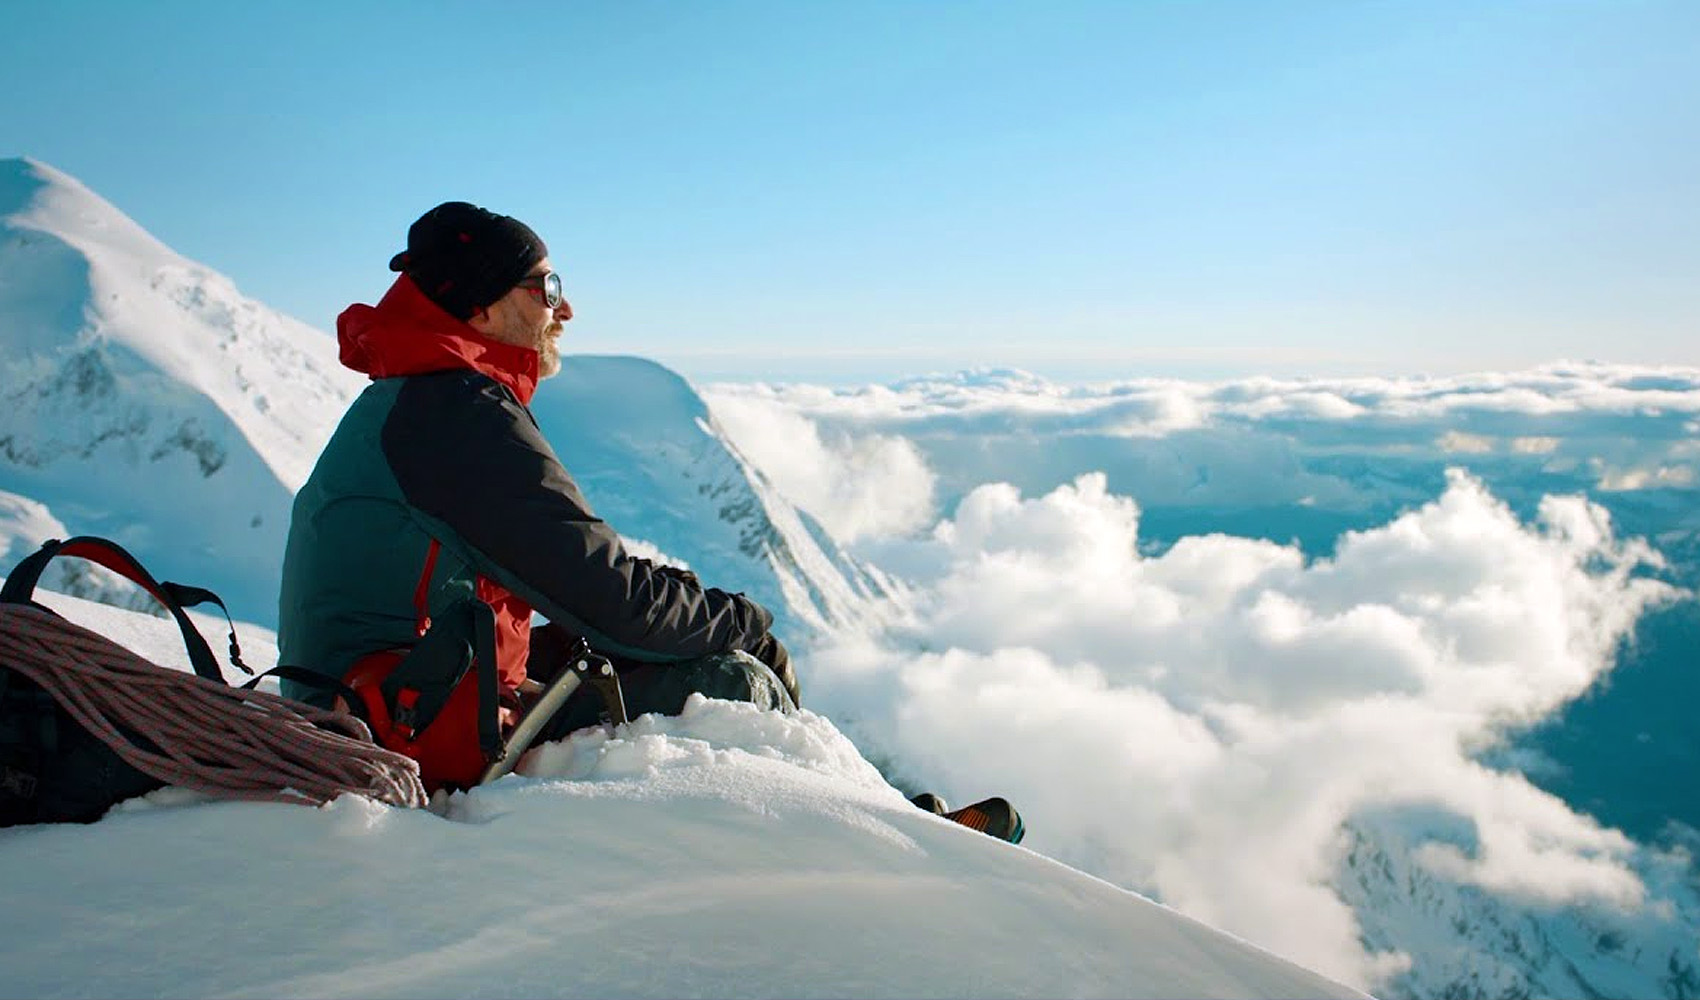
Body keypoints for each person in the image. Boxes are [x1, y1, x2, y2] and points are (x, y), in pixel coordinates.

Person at [277, 201, 1021, 842]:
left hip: (410, 687)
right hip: (404, 726)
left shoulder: (426, 401)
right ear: (481, 308)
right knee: (734, 674)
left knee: (723, 639)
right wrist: (741, 615)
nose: (562, 309)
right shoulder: (454, 416)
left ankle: (880, 811)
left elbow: (580, 583)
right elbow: (617, 602)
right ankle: (876, 844)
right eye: (546, 287)